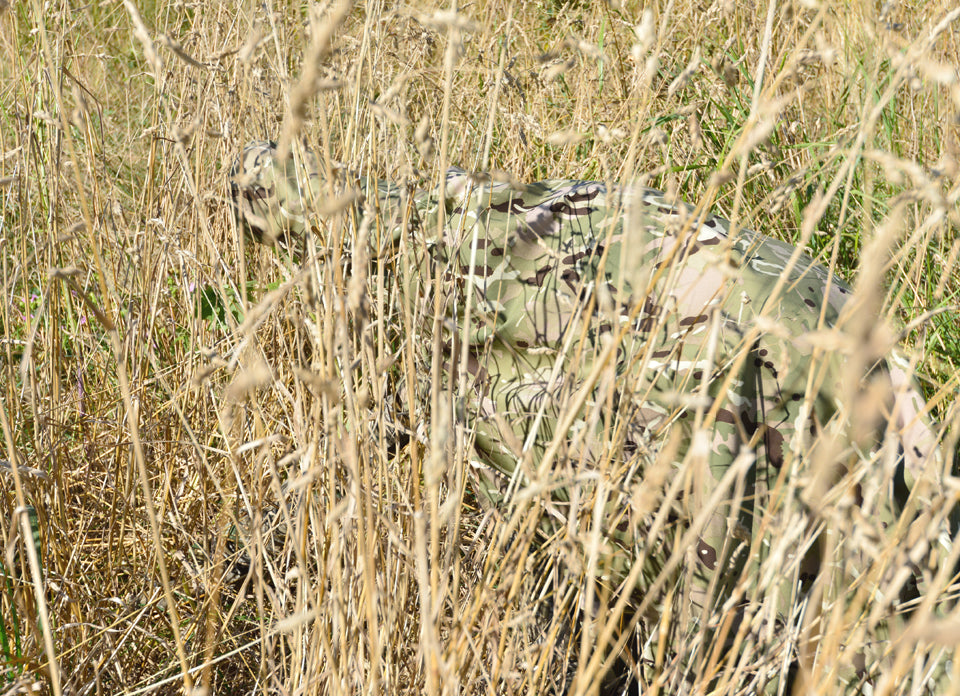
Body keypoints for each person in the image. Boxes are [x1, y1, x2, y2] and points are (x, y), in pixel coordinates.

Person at [230, 140, 950, 692]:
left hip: (720, 359)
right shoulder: (481, 206)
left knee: (740, 651)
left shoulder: (411, 283)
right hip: (818, 315)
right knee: (913, 583)